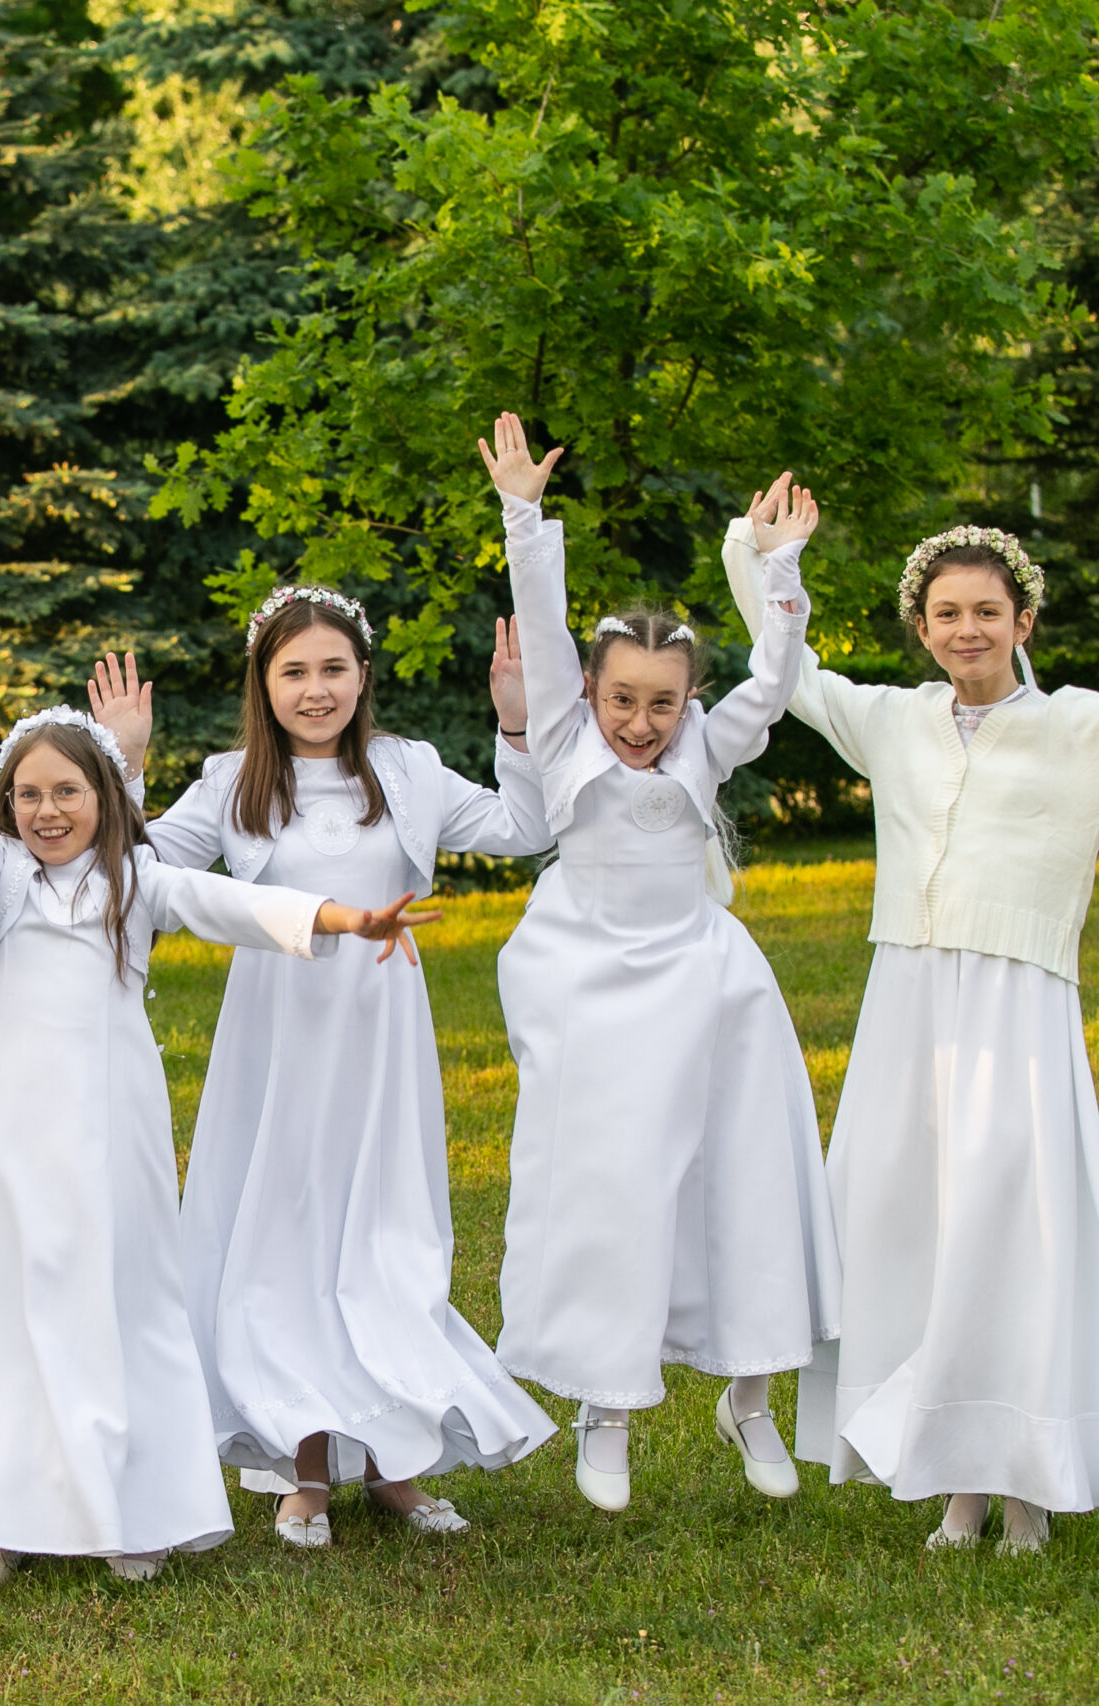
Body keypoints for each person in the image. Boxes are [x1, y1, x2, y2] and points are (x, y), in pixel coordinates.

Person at [716, 469, 1099, 1553]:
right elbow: (790, 671)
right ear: (921, 629)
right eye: (945, 613)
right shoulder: (889, 722)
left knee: (1012, 1233)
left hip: (1016, 1010)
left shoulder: (1086, 732)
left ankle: (1026, 1484)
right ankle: (953, 1474)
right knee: (915, 1232)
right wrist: (757, 554)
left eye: (986, 610)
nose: (966, 628)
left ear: (1023, 619)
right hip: (907, 1009)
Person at [0, 685, 437, 1586]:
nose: (48, 811)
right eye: (29, 796)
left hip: (110, 1131)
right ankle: (0, 1515)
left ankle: (134, 1509)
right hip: (7, 1137)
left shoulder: (138, 882)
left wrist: (347, 917)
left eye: (67, 792)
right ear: (9, 808)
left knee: (115, 1303)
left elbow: (239, 906)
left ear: (107, 798)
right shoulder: (4, 879)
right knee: (9, 1304)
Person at [86, 595, 556, 1546]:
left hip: (382, 1033)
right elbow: (130, 871)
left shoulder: (409, 770)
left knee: (382, 1233)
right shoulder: (233, 783)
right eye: (294, 672)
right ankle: (304, 1463)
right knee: (287, 1236)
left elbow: (525, 825)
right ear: (265, 683)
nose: (316, 690)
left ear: (362, 677)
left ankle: (391, 1458)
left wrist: (515, 719)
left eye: (334, 669)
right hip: (279, 1034)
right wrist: (122, 762)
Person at [484, 415, 840, 1513]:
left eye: (662, 702)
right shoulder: (559, 734)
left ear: (688, 701)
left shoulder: (706, 742)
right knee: (611, 1184)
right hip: (590, 978)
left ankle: (751, 1391)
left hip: (704, 977)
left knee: (744, 1175)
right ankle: (606, 1401)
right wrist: (522, 514)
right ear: (590, 691)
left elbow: (775, 678)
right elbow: (540, 627)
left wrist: (777, 567)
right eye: (622, 698)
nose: (641, 723)